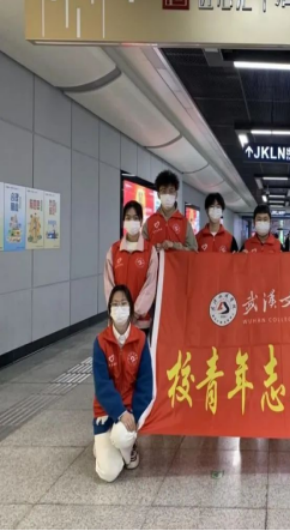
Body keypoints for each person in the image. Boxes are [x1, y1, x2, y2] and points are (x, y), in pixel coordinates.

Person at [93, 285, 152, 483]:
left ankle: (128, 454)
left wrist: (133, 413)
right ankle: (104, 445)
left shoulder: (140, 340)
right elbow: (102, 386)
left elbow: (146, 384)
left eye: (123, 304)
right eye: (115, 304)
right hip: (106, 411)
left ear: (131, 308)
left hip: (131, 408)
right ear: (109, 309)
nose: (119, 308)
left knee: (121, 437)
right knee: (108, 474)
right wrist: (119, 412)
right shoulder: (100, 342)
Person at [104, 201, 158, 332]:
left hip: (140, 322)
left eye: (135, 218)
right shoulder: (114, 250)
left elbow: (150, 285)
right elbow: (108, 283)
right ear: (123, 221)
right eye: (128, 218)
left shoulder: (149, 250)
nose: (131, 221)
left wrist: (136, 312)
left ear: (141, 221)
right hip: (118, 320)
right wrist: (117, 309)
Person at [143, 170, 198, 252]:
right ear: (158, 194)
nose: (167, 195)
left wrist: (176, 246)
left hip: (178, 261)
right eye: (163, 191)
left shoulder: (184, 223)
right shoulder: (149, 222)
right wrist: (154, 248)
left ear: (176, 194)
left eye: (171, 191)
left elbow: (194, 251)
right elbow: (142, 250)